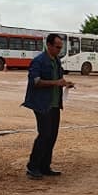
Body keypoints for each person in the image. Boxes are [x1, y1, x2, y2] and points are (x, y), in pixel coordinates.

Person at [23, 33, 74, 178]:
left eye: (61, 47)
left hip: (54, 104)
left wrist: (65, 83)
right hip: (42, 104)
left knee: (52, 136)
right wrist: (56, 83)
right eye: (57, 47)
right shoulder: (38, 61)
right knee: (44, 134)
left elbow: (58, 79)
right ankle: (32, 167)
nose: (59, 50)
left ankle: (45, 166)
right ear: (49, 45)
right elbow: (36, 82)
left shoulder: (56, 61)